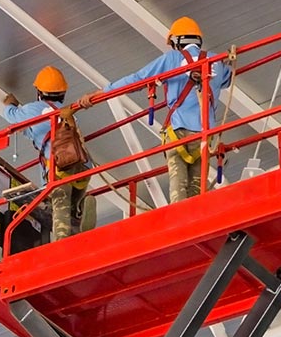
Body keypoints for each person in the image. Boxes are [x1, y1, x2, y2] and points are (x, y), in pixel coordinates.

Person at [77, 16, 232, 203]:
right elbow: (227, 79)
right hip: (205, 134)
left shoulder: (172, 59)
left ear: (177, 41)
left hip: (179, 132)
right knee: (197, 191)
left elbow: (138, 79)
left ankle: (179, 222)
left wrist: (103, 92)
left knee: (178, 187)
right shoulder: (217, 60)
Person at [3, 66, 93, 241]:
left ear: (39, 91)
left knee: (59, 202)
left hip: (60, 165)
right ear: (63, 93)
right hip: (83, 163)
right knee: (73, 206)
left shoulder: (32, 110)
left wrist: (10, 103)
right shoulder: (69, 112)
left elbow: (11, 115)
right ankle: (82, 212)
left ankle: (61, 241)